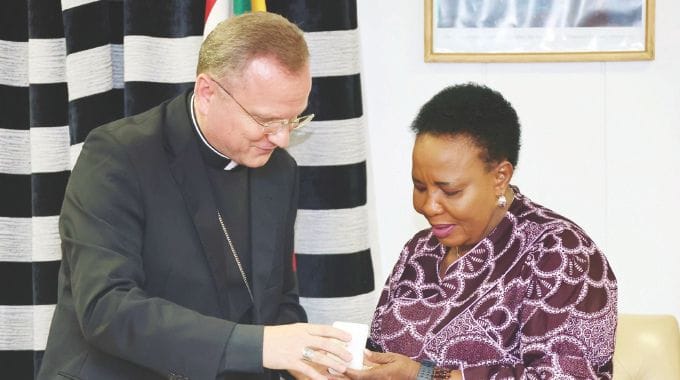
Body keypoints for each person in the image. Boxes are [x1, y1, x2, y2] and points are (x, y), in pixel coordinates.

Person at [38, 12, 352, 380]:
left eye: (294, 120)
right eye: (267, 120)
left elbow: (278, 298)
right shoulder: (119, 155)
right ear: (207, 92)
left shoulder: (279, 171)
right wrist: (263, 347)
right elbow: (107, 309)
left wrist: (307, 356)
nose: (282, 138)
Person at [346, 84, 618, 379]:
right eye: (420, 187)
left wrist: (425, 376)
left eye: (450, 191)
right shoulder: (420, 250)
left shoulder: (561, 254)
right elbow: (378, 355)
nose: (429, 206)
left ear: (500, 177)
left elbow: (564, 375)